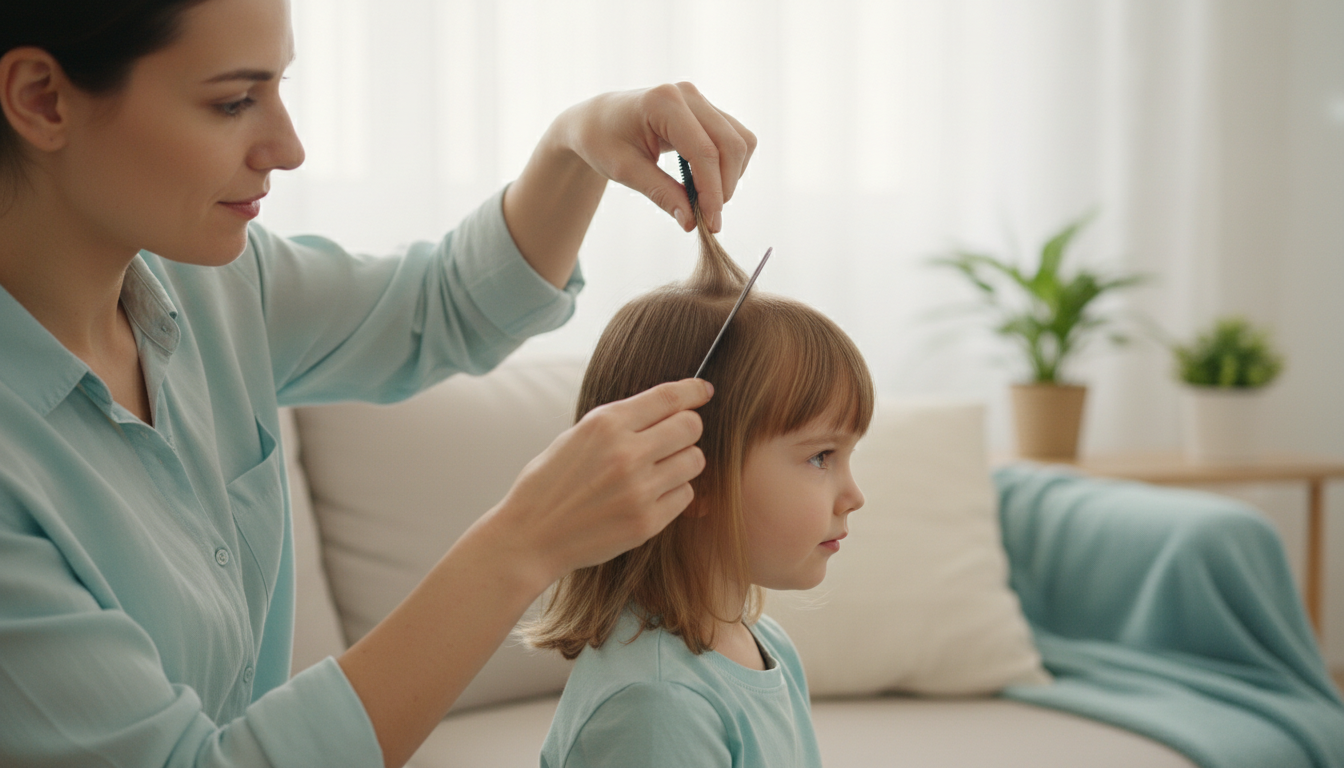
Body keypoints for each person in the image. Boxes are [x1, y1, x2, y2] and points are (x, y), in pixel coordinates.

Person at [0, 1, 757, 766]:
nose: (288, 148)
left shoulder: (210, 286)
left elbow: (447, 306)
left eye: (279, 88)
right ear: (41, 98)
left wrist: (578, 141)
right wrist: (523, 542)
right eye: (232, 102)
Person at [527, 202, 874, 768]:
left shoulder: (767, 646)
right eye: (821, 457)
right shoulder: (658, 705)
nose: (854, 496)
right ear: (691, 471)